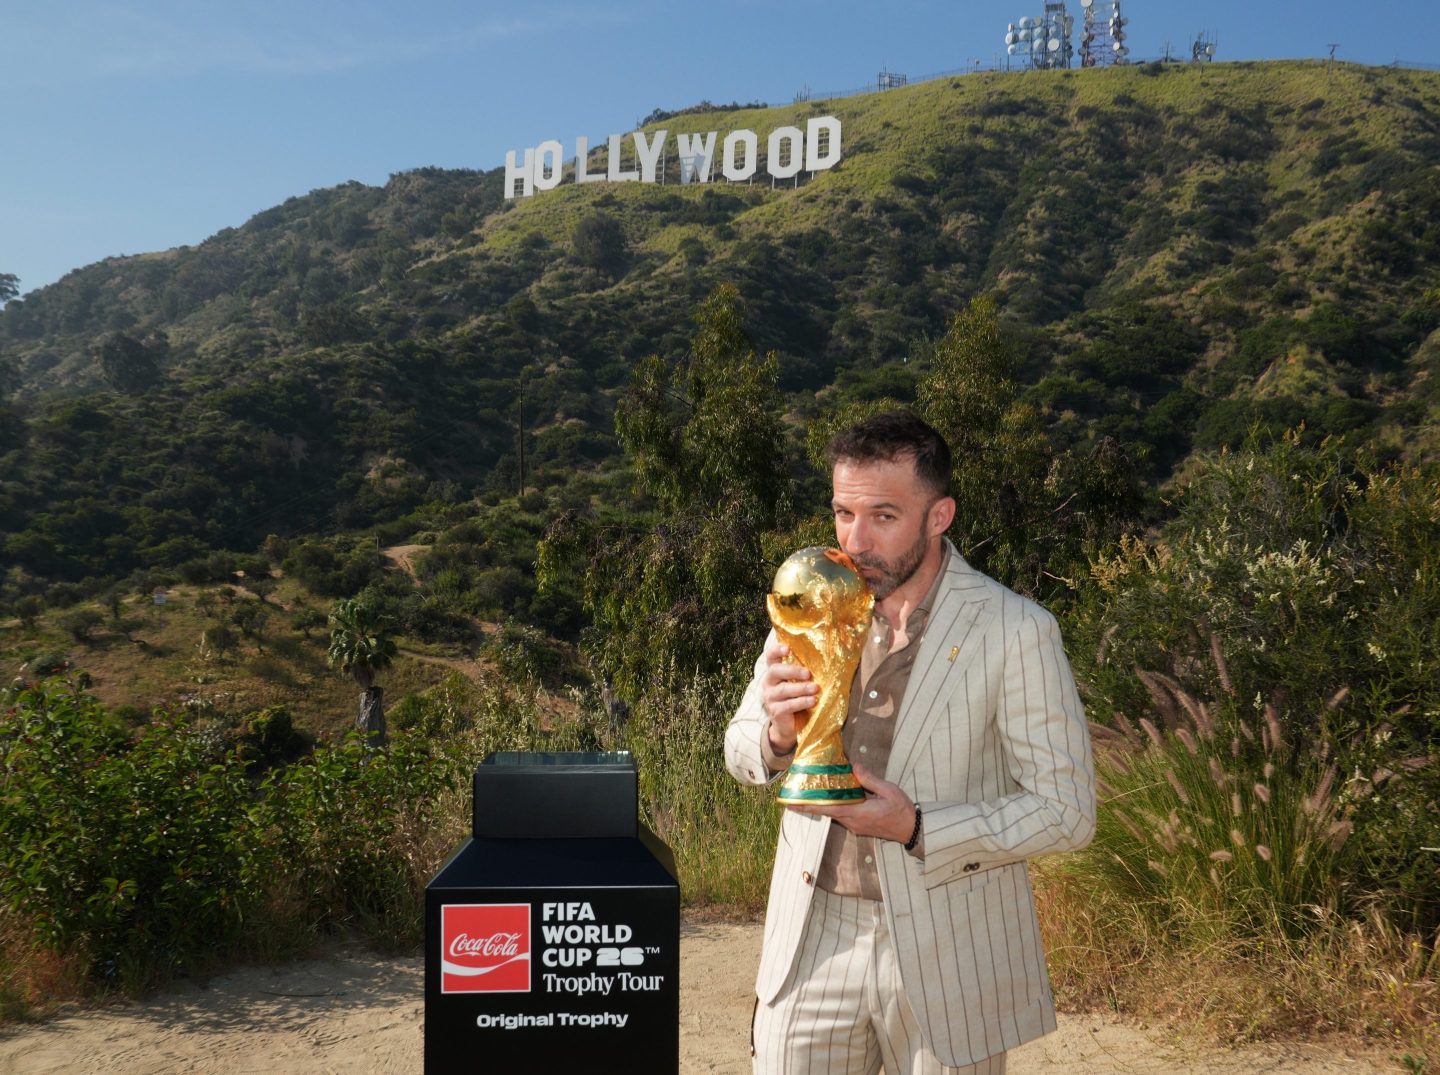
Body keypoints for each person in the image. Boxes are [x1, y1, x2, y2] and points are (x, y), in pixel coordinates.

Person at [724, 411, 1095, 1075]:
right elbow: (741, 750)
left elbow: (1068, 810)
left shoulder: (1017, 631)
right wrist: (778, 734)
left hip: (950, 946)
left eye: (883, 516)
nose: (855, 540)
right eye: (842, 512)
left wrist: (918, 826)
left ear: (939, 514)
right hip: (811, 938)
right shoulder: (809, 603)